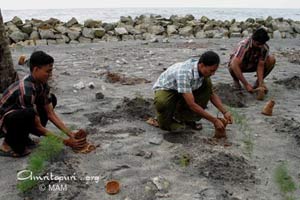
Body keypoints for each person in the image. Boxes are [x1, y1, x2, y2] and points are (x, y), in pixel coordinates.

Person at [0, 51, 78, 157]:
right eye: (48, 71)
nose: (50, 74)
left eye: (51, 71)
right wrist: (65, 142)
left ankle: (23, 137)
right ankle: (6, 145)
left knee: (52, 99)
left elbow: (50, 113)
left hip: (19, 115)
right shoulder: (26, 88)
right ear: (36, 69)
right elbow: (38, 126)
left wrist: (71, 134)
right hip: (4, 123)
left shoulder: (42, 85)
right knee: (29, 114)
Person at [153, 51, 233, 132]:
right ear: (201, 65)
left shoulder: (203, 71)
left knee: (207, 85)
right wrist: (214, 120)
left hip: (184, 89)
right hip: (167, 89)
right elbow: (192, 104)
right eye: (211, 71)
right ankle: (165, 120)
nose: (213, 74)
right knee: (163, 103)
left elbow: (211, 94)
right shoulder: (184, 73)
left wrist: (225, 112)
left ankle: (187, 119)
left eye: (214, 71)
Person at [228, 27, 276, 93]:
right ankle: (236, 81)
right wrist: (246, 84)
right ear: (253, 40)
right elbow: (234, 64)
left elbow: (260, 66)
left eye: (262, 44)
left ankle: (258, 83)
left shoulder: (264, 47)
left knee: (271, 60)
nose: (260, 46)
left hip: (253, 64)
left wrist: (261, 83)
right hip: (240, 65)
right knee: (232, 63)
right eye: (258, 44)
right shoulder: (243, 46)